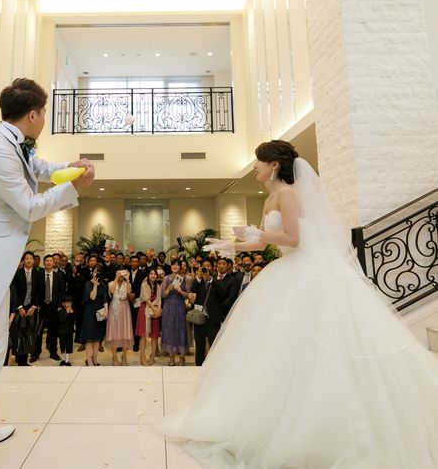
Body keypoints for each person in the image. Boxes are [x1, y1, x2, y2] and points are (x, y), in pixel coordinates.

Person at [159, 139, 438, 468]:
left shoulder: (288, 194)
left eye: (259, 161)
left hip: (309, 272)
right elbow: (262, 243)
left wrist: (256, 234)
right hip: (287, 269)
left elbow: (293, 238)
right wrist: (231, 246)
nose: (254, 167)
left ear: (274, 165)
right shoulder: (269, 199)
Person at [0, 78, 94, 469]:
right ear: (33, 114)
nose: (44, 119)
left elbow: (38, 167)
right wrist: (73, 188)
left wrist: (70, 169)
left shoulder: (11, 140)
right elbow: (28, 206)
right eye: (44, 113)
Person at [11, 251, 44, 366]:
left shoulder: (38, 273)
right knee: (19, 332)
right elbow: (14, 291)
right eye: (26, 258)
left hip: (31, 308)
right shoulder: (17, 273)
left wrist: (34, 306)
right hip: (19, 307)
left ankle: (24, 360)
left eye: (31, 258)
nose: (29, 260)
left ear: (34, 261)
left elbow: (39, 291)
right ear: (23, 261)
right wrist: (19, 307)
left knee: (29, 333)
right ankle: (19, 358)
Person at [160, 259, 191, 366]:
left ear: (180, 267)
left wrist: (180, 291)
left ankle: (182, 356)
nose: (175, 266)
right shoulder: (166, 278)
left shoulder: (185, 278)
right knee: (169, 329)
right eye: (173, 264)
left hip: (180, 305)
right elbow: (162, 295)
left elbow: (189, 295)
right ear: (171, 266)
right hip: (168, 306)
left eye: (177, 265)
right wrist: (169, 288)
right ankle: (171, 356)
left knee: (181, 328)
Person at [36, 253, 66, 362]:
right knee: (38, 331)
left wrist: (59, 305)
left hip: (54, 307)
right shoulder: (39, 274)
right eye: (47, 261)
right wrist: (36, 305)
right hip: (41, 308)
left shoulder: (58, 276)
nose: (49, 262)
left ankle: (53, 352)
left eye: (50, 261)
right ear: (44, 263)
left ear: (53, 263)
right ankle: (36, 352)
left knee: (53, 331)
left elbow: (61, 291)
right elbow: (36, 291)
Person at [80, 267, 109, 366]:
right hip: (89, 313)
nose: (97, 273)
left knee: (97, 339)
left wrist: (106, 311)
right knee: (89, 339)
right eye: (95, 271)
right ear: (92, 273)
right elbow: (92, 297)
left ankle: (95, 360)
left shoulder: (103, 285)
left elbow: (105, 299)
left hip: (99, 314)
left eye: (99, 272)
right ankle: (89, 361)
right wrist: (95, 285)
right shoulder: (88, 284)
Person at [105, 269, 134, 365]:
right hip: (114, 307)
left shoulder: (127, 284)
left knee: (125, 331)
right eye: (120, 273)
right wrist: (116, 278)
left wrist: (128, 279)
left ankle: (124, 356)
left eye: (123, 273)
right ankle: (114, 356)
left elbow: (129, 292)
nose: (121, 275)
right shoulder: (111, 283)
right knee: (113, 331)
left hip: (125, 307)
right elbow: (112, 291)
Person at [136, 268, 162, 365]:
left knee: (154, 336)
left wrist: (158, 310)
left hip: (155, 311)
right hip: (145, 310)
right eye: (151, 274)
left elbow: (159, 300)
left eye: (155, 274)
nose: (153, 275)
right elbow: (146, 299)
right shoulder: (144, 285)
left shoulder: (158, 286)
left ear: (157, 276)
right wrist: (155, 309)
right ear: (148, 275)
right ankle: (142, 356)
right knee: (143, 335)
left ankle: (152, 356)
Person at [57, 296, 75, 366]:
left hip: (69, 332)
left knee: (68, 346)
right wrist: (67, 312)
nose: (69, 304)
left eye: (70, 303)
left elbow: (74, 319)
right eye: (67, 303)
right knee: (63, 346)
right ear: (63, 303)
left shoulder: (72, 310)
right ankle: (63, 359)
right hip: (62, 332)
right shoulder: (60, 310)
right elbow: (62, 319)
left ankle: (67, 361)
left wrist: (72, 313)